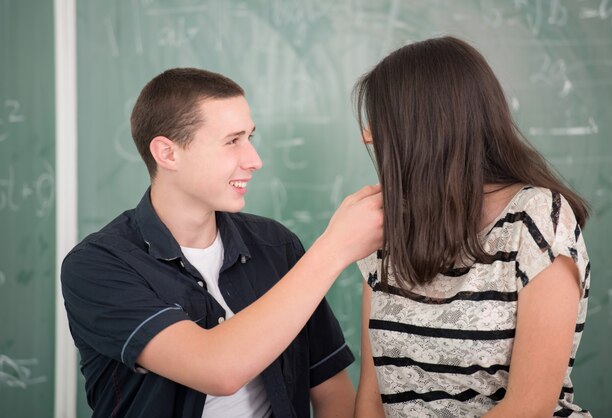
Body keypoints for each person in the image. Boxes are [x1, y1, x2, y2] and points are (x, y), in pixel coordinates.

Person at [61, 68, 383, 418]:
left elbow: (331, 388)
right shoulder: (98, 265)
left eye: (250, 137)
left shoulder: (277, 245)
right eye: (233, 141)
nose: (254, 160)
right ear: (167, 154)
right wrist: (334, 249)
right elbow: (217, 369)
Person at [352, 36, 591, 418]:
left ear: (426, 129)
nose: (368, 135)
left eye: (382, 121)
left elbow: (529, 407)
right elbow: (372, 395)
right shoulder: (387, 229)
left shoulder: (537, 216)